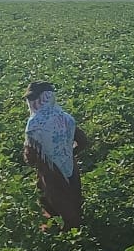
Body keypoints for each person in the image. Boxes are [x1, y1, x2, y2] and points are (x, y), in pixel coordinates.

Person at [23, 81, 88, 228]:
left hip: (50, 173)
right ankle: (79, 237)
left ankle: (63, 241)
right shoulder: (66, 118)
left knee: (55, 208)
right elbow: (83, 141)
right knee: (73, 202)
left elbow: (30, 158)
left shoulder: (34, 124)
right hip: (71, 168)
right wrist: (68, 153)